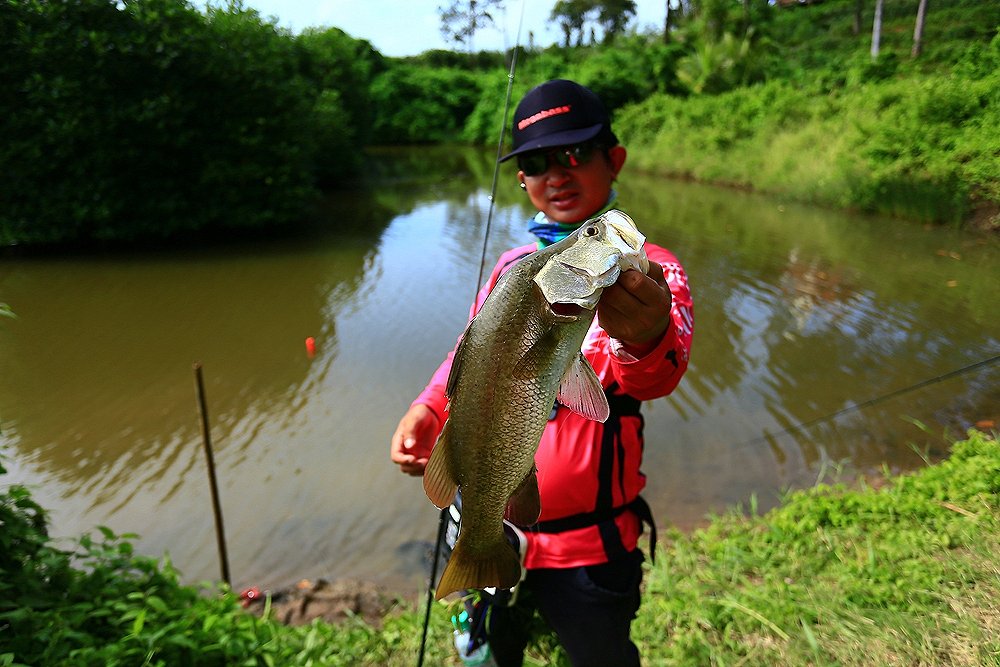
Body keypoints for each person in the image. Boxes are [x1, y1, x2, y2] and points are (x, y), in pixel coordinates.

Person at [390, 79, 694, 667]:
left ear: (616, 162)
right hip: (499, 527)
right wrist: (429, 406)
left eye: (576, 154)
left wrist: (644, 335)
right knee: (496, 648)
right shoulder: (512, 269)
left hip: (592, 546)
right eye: (536, 162)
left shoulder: (650, 273)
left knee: (598, 653)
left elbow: (655, 378)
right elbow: (468, 352)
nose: (557, 173)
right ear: (523, 181)